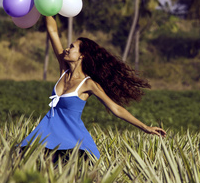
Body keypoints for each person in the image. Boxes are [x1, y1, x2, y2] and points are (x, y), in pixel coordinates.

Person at [20, 16, 166, 160]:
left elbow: (116, 109)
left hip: (71, 139)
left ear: (82, 55)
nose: (66, 49)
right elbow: (52, 31)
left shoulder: (89, 84)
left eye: (71, 47)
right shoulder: (63, 70)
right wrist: (45, 6)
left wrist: (145, 127)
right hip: (46, 132)